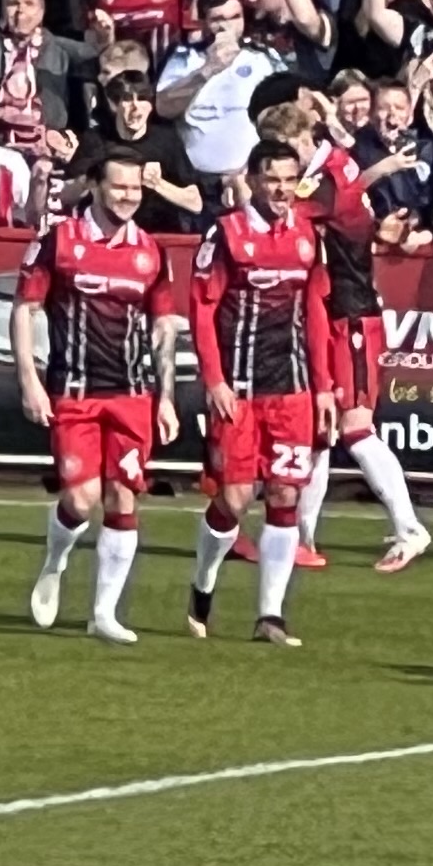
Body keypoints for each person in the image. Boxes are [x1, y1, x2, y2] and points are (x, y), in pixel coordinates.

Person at [185, 127, 335, 646]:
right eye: (271, 179)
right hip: (240, 388)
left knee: (285, 491)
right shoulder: (225, 235)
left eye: (289, 180)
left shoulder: (307, 236)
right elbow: (202, 310)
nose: (280, 189)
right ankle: (203, 582)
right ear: (252, 181)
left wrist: (324, 388)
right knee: (235, 496)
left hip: (290, 388)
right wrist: (215, 381)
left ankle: (270, 616)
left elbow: (315, 311)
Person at [20, 148, 175, 646]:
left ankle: (103, 614)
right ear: (94, 186)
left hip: (133, 394)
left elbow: (163, 327)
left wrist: (166, 396)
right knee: (81, 497)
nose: (129, 196)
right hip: (75, 390)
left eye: (136, 188)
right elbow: (25, 309)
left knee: (122, 496)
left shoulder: (151, 250)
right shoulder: (59, 241)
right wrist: (29, 379)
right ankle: (55, 561)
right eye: (119, 186)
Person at [272, 93, 430, 573]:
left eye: (279, 152)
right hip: (337, 309)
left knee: (356, 429)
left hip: (352, 312)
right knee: (322, 433)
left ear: (302, 139)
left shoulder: (320, 181)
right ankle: (302, 539)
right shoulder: (338, 167)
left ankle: (410, 528)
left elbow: (283, 216)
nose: (276, 171)